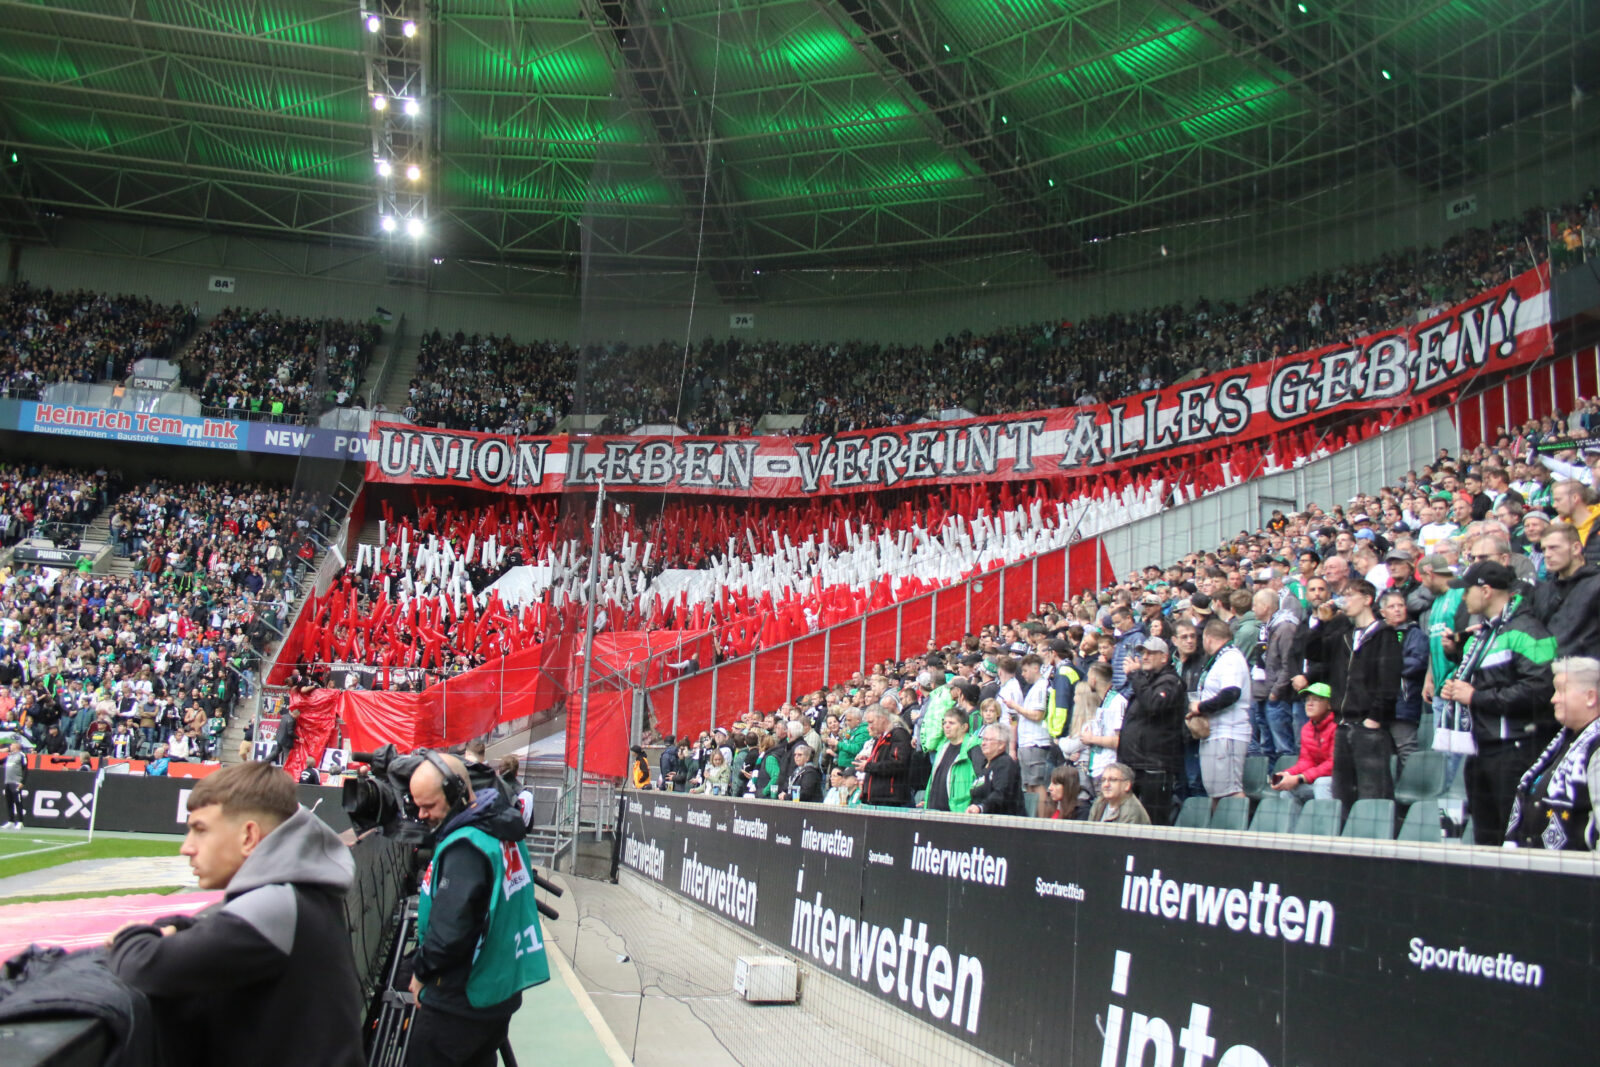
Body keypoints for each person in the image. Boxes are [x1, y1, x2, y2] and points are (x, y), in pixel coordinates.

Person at [105, 761, 364, 1067]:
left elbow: (142, 967)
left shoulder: (275, 905)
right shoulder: (298, 894)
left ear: (248, 837)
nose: (186, 847)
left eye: (200, 830)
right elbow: (216, 935)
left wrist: (129, 937)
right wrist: (174, 927)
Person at [406, 752, 548, 1067]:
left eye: (429, 806)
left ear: (457, 793)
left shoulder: (468, 844)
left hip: (462, 999)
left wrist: (421, 972)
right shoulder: (500, 826)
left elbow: (450, 934)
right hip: (497, 992)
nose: (422, 815)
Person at [1437, 561, 1559, 846]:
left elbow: (1540, 691)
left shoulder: (1530, 631)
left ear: (1487, 591)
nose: (1464, 598)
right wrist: (1455, 685)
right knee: (1486, 841)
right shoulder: (1481, 635)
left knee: (1515, 837)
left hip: (1515, 751)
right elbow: (1484, 680)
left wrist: (1474, 697)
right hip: (1481, 748)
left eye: (1467, 591)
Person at [1505, 657, 1600, 850]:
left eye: (1561, 690)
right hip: (1540, 871)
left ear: (1590, 697)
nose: (1553, 698)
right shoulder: (1562, 741)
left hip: (1577, 875)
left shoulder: (1595, 746)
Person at [1120, 636, 1187, 825]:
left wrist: (1135, 676)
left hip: (1156, 767)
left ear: (1164, 657)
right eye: (1143, 653)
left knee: (1153, 822)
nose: (1145, 657)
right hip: (1136, 764)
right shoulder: (1146, 681)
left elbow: (1154, 704)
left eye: (1151, 653)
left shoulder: (1171, 682)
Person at [1189, 618, 1253, 807]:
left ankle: (1242, 834)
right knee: (1217, 793)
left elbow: (1231, 693)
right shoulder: (1221, 659)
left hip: (1229, 733)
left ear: (1207, 638)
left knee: (1231, 791)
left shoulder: (1231, 658)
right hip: (1216, 734)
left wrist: (1200, 707)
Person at [1269, 683, 1337, 828]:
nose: (1309, 703)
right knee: (1287, 790)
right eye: (1307, 700)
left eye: (1316, 699)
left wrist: (1300, 778)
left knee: (1322, 784)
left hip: (1340, 783)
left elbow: (1333, 764)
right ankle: (1290, 838)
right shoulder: (1307, 728)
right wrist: (1287, 775)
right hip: (1317, 778)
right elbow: (1306, 761)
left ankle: (1325, 833)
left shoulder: (1338, 727)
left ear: (1329, 704)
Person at [1531, 525, 1600, 658]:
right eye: (1544, 549)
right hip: (1544, 669)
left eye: (1554, 547)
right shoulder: (1542, 591)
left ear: (1576, 548)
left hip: (1585, 672)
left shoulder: (1596, 586)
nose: (1547, 554)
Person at [925, 707, 984, 813]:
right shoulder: (942, 748)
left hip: (959, 815)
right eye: (944, 722)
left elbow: (981, 781)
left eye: (952, 723)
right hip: (933, 812)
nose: (946, 726)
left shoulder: (973, 748)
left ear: (964, 727)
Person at [855, 706, 913, 807]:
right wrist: (869, 760)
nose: (869, 726)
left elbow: (898, 764)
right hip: (878, 798)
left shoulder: (898, 734)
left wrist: (868, 766)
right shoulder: (881, 737)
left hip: (891, 799)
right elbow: (882, 761)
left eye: (871, 722)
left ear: (882, 718)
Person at [966, 724, 1024, 815]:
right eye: (983, 739)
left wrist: (981, 808)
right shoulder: (985, 764)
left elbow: (1001, 794)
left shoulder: (1005, 763)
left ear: (1001, 745)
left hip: (1003, 822)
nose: (983, 743)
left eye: (988, 740)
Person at [1087, 762, 1151, 825]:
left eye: (1112, 780)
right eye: (1103, 780)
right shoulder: (1099, 802)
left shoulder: (1132, 811)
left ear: (1127, 785)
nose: (1106, 785)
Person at [3, 741, 25, 828]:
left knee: (18, 802)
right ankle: (11, 820)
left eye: (12, 745)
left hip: (16, 782)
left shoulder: (21, 755)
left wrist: (22, 782)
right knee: (9, 802)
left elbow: (25, 769)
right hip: (8, 782)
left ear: (16, 746)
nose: (10, 746)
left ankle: (20, 821)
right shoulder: (9, 755)